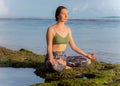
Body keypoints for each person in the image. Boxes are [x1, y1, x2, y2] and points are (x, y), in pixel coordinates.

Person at [45, 6, 96, 72]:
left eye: (67, 14)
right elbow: (49, 47)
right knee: (53, 65)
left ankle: (64, 64)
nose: (66, 16)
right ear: (58, 15)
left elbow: (74, 47)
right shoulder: (51, 29)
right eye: (63, 14)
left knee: (87, 61)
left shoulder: (68, 29)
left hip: (64, 57)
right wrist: (51, 58)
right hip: (53, 56)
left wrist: (86, 55)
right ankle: (64, 66)